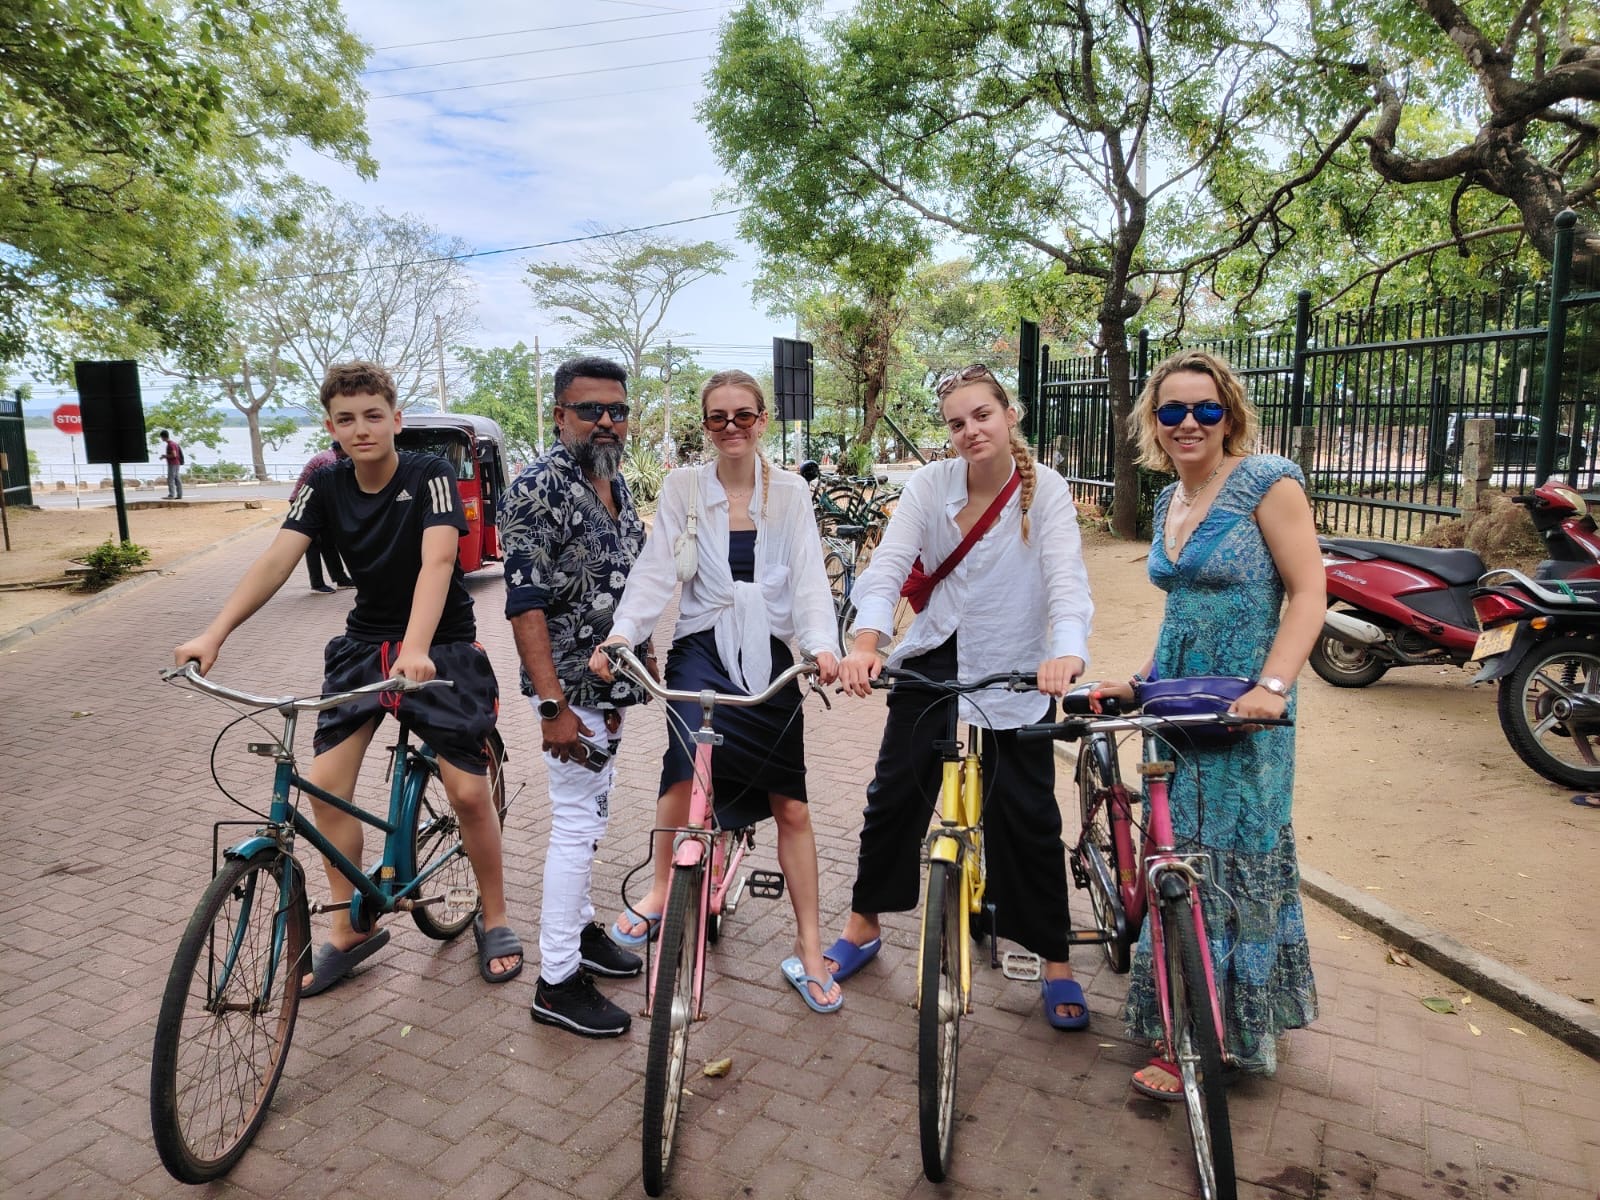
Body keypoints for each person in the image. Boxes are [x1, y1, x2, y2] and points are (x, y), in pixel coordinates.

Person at [174, 361, 520, 996]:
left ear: (396, 420)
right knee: (325, 789)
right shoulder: (325, 483)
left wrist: (416, 648)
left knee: (469, 793)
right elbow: (278, 558)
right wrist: (214, 633)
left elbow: (438, 561)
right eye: (346, 419)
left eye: (373, 415)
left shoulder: (431, 474)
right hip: (363, 646)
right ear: (331, 427)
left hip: (439, 646)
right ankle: (348, 929)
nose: (361, 429)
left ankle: (494, 916)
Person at [831, 364, 1095, 1030]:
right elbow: (889, 565)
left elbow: (1066, 578)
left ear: (1010, 415)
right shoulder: (931, 485)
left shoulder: (1046, 490)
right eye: (957, 422)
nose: (971, 430)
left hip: (1019, 656)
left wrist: (1067, 651)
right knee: (895, 789)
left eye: (982, 415)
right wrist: (866, 642)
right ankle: (863, 923)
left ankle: (1053, 959)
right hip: (938, 646)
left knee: (1028, 811)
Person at [1098, 348, 1323, 1097]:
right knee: (1175, 858)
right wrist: (1140, 683)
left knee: (1230, 862)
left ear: (1229, 415)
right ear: (1153, 421)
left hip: (1247, 714)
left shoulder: (1268, 480)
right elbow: (1185, 615)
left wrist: (1273, 687)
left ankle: (1224, 1032)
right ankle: (1181, 1025)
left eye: (1204, 409)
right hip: (1179, 708)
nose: (1187, 422)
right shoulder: (1170, 498)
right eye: (1172, 410)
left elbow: (1309, 594)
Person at [592, 369, 844, 1013]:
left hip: (770, 652)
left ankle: (811, 946)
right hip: (701, 647)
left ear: (763, 420)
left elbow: (810, 579)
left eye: (743, 415)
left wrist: (823, 647)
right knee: (681, 773)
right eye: (717, 417)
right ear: (705, 425)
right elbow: (655, 572)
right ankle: (659, 889)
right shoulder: (684, 486)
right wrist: (622, 635)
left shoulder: (790, 492)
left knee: (791, 805)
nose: (731, 427)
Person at [502, 356, 656, 1039]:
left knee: (591, 817)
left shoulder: (612, 479)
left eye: (617, 410)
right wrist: (551, 707)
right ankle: (558, 980)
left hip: (611, 686)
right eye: (591, 409)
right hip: (569, 693)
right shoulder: (539, 486)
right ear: (560, 414)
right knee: (574, 824)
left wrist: (646, 654)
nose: (606, 421)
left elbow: (629, 579)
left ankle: (583, 932)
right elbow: (524, 603)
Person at [291, 443, 354, 592]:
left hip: (315, 501)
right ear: (343, 448)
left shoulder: (334, 458)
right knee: (313, 543)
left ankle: (341, 579)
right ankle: (317, 583)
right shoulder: (329, 461)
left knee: (328, 541)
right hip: (306, 502)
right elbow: (329, 491)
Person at [159, 430, 183, 499]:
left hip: (173, 464)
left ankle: (171, 495)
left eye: (161, 437)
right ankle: (179, 495)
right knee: (177, 479)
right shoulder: (174, 443)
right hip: (177, 463)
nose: (161, 439)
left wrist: (165, 456)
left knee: (170, 479)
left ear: (163, 437)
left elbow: (174, 455)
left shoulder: (170, 444)